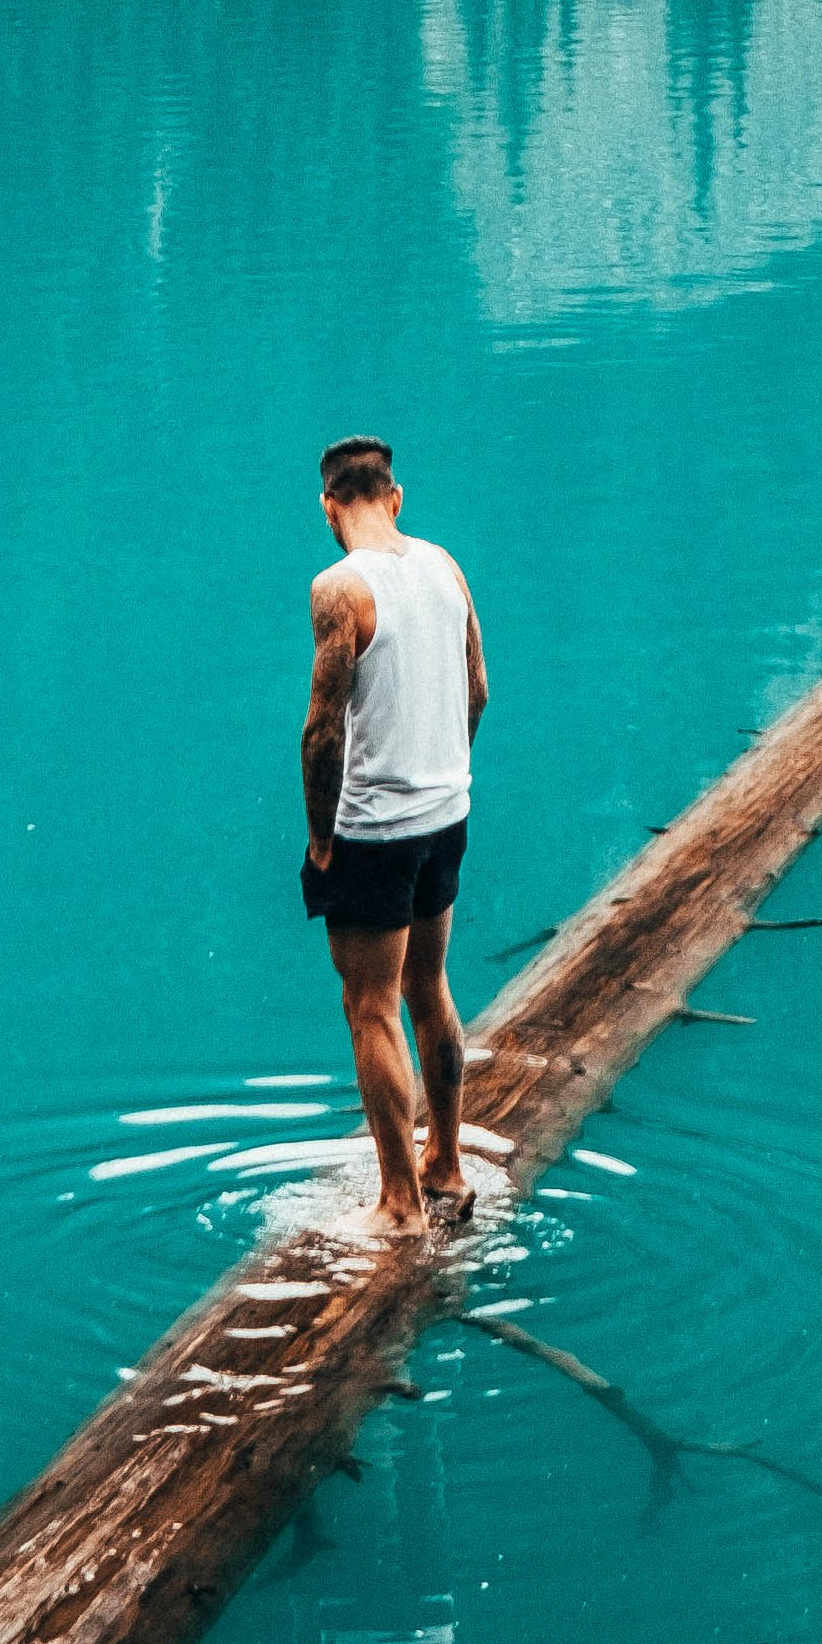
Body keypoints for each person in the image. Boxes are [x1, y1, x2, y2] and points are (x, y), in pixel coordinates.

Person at [300, 436, 488, 1233]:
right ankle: (444, 1163)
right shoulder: (446, 566)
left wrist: (320, 842)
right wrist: (441, 772)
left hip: (375, 832)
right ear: (397, 496)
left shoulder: (339, 587)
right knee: (428, 989)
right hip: (447, 815)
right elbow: (478, 688)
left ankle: (399, 1205)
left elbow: (321, 733)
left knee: (369, 1005)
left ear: (329, 507)